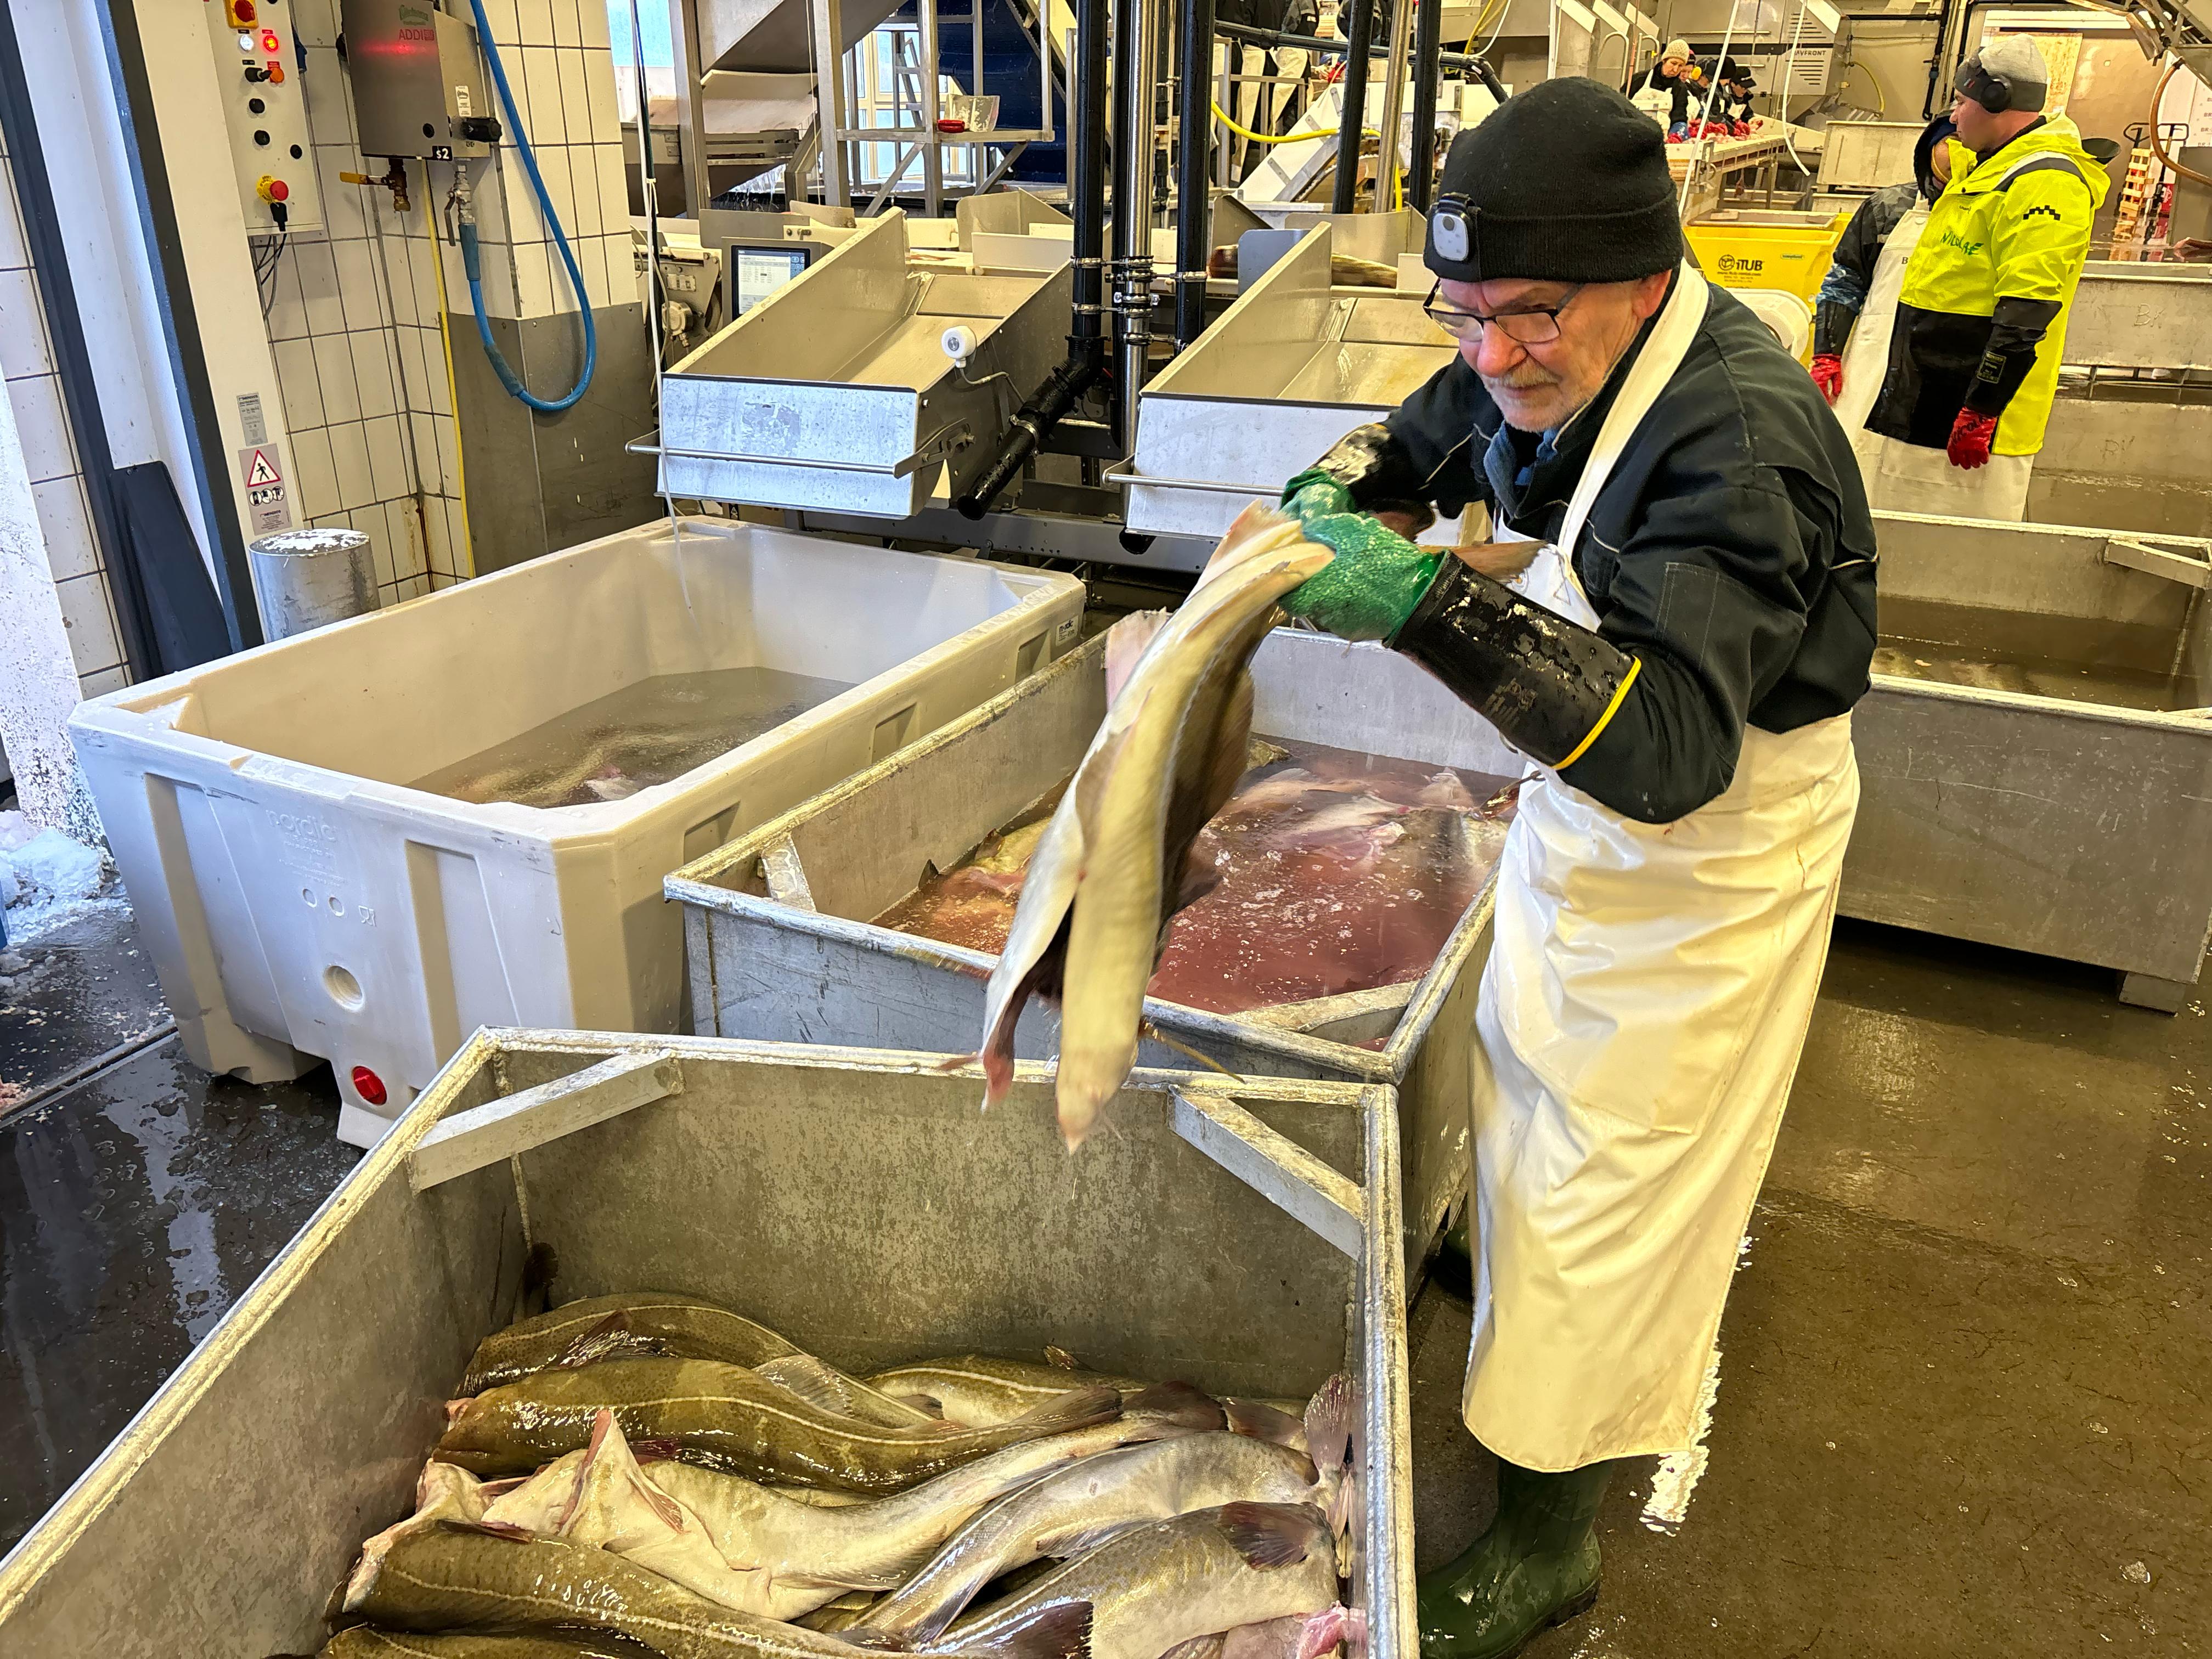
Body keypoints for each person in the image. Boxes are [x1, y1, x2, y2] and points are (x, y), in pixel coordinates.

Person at [1274, 77, 1875, 1659]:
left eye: (1527, 315)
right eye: (1460, 311)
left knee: (1623, 1177)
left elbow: (1675, 751)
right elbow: (1429, 427)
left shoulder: (1740, 440)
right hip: (1587, 814)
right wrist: (1349, 487)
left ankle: (1548, 1544)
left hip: (1708, 847)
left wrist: (1418, 603)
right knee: (1525, 1059)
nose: (1492, 352)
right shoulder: (1536, 348)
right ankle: (1513, 1262)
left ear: (1646, 272)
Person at [1855, 36, 2109, 520]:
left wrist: (1982, 410)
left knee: (1948, 558)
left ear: (1996, 99)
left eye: (1960, 100)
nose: (1953, 115)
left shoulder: (2044, 183)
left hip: (1967, 426)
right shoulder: (1990, 170)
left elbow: (2027, 310)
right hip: (1929, 405)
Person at [1810, 115, 1955, 453]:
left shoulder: (1990, 212)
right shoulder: (1887, 209)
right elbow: (1845, 281)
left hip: (1942, 373)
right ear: (1930, 149)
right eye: (1949, 141)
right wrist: (1827, 354)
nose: (1957, 151)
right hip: (1871, 362)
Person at [1638, 40, 1705, 137]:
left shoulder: (1680, 88)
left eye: (1681, 66)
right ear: (1664, 60)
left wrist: (1675, 137)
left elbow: (1679, 120)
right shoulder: (1639, 80)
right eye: (1673, 63)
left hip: (1661, 141)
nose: (1675, 69)